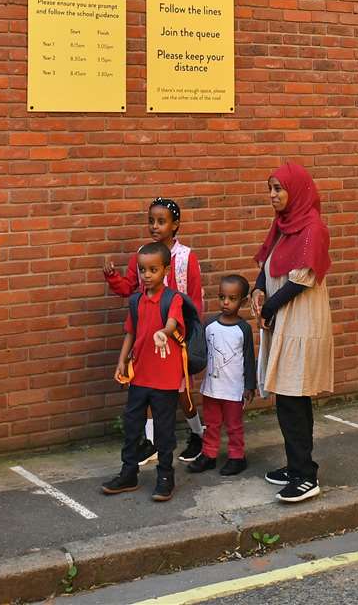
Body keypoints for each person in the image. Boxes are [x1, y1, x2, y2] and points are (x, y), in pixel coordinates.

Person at [253, 162, 334, 504]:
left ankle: (305, 475)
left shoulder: (312, 228)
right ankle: (295, 465)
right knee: (286, 398)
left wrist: (269, 308)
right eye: (270, 189)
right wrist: (258, 291)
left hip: (300, 324)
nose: (273, 195)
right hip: (283, 322)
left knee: (293, 399)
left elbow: (302, 277)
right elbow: (269, 263)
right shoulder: (283, 224)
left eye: (279, 189)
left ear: (297, 190)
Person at [103, 199, 206, 463]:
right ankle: (150, 443)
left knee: (181, 390)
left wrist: (190, 334)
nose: (154, 226)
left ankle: (197, 433)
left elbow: (195, 300)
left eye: (161, 221)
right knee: (145, 386)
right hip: (146, 335)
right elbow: (128, 287)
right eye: (151, 221)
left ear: (176, 225)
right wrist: (113, 277)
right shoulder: (143, 253)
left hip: (175, 335)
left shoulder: (185, 257)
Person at [102, 242, 186, 502]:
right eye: (142, 270)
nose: (147, 275)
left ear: (166, 270)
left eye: (153, 269)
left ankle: (165, 476)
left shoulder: (173, 299)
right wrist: (121, 360)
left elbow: (173, 322)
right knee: (132, 426)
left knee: (164, 430)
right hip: (140, 374)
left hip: (166, 378)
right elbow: (131, 331)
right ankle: (128, 473)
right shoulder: (136, 299)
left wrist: (164, 331)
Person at [189, 274, 256, 475]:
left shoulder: (243, 329)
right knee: (211, 424)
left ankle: (237, 457)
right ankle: (209, 455)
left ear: (242, 301)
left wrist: (249, 386)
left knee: (234, 426)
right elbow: (199, 353)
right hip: (211, 388)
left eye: (232, 298)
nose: (225, 302)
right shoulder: (209, 325)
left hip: (234, 390)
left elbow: (249, 358)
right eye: (222, 297)